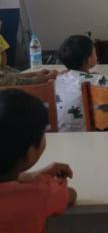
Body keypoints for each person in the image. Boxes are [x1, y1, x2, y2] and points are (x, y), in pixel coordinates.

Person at [0, 89, 77, 231]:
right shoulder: (40, 194)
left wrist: (31, 175)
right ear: (30, 153)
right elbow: (70, 194)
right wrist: (43, 180)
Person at [55, 35, 108, 132]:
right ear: (88, 60)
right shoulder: (91, 79)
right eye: (94, 52)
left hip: (58, 133)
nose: (96, 55)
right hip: (83, 133)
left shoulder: (60, 77)